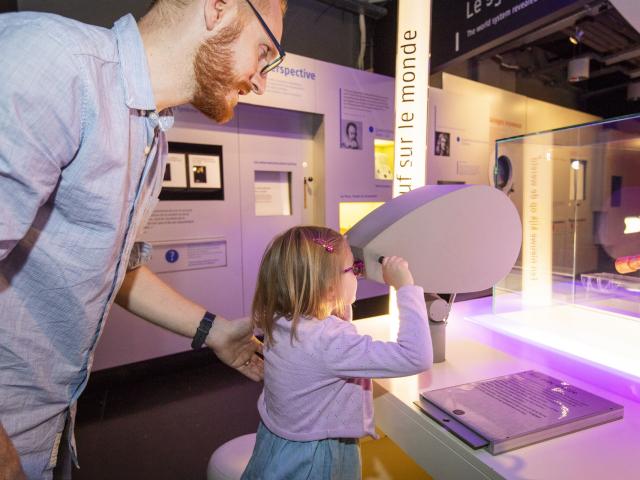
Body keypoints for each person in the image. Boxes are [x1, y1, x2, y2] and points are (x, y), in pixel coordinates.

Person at [0, 0, 286, 478]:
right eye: (264, 52)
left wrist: (215, 331)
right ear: (218, 8)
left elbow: (116, 266)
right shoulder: (55, 64)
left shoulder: (149, 135)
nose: (262, 80)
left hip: (49, 432)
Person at [241, 226, 433, 479]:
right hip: (315, 458)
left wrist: (337, 304)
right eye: (353, 269)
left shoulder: (281, 320)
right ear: (329, 287)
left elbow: (323, 345)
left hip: (278, 442)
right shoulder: (330, 340)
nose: (357, 275)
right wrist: (406, 286)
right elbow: (415, 356)